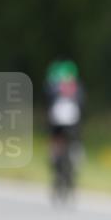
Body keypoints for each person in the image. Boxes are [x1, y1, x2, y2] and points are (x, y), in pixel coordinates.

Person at [44, 59, 85, 194]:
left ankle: (56, 159)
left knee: (56, 142)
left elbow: (48, 103)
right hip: (72, 124)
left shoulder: (52, 86)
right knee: (74, 142)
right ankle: (74, 160)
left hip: (58, 124)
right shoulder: (77, 87)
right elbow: (82, 105)